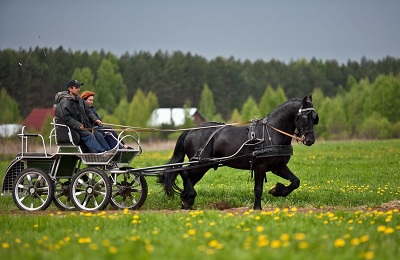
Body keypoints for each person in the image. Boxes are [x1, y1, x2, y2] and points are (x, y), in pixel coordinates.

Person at [55, 80, 111, 153]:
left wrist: (95, 119)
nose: (79, 89)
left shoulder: (80, 100)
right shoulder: (64, 102)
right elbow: (67, 118)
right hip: (73, 129)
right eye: (76, 87)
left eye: (79, 87)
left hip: (84, 127)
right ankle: (100, 154)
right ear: (70, 89)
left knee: (97, 134)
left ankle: (108, 152)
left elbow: (88, 111)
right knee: (89, 135)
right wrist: (78, 125)